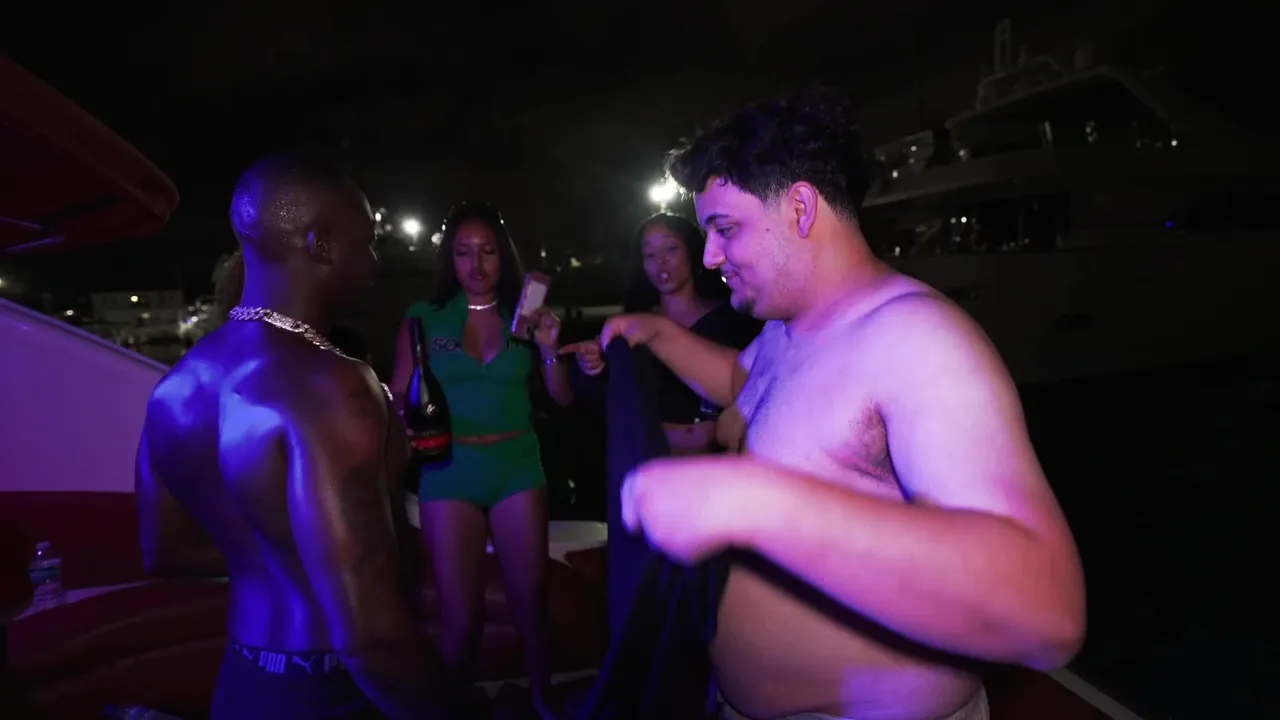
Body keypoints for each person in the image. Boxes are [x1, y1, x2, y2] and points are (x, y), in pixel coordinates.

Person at [590, 90, 1087, 720]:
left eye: (725, 229)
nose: (709, 257)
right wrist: (658, 334)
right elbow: (747, 387)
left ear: (800, 207)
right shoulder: (787, 327)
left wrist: (756, 504)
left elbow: (1046, 608)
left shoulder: (919, 340)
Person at [135, 155, 452, 719]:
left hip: (243, 683)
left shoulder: (175, 389)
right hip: (331, 685)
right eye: (367, 241)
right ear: (321, 244)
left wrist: (281, 551)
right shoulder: (331, 384)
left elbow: (166, 551)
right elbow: (373, 639)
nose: (375, 259)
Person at [389, 200, 573, 719]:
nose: (476, 264)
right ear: (449, 259)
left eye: (487, 251)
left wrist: (551, 348)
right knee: (460, 616)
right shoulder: (423, 319)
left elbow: (561, 397)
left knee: (530, 603)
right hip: (449, 471)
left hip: (517, 466)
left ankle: (543, 703)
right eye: (463, 252)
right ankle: (450, 709)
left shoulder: (526, 315)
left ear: (502, 256)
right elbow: (399, 394)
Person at [565, 213, 761, 455]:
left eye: (671, 248)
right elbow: (605, 403)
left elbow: (755, 387)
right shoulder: (631, 326)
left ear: (693, 252)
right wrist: (594, 362)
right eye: (649, 254)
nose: (660, 260)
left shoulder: (734, 318)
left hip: (723, 466)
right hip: (655, 462)